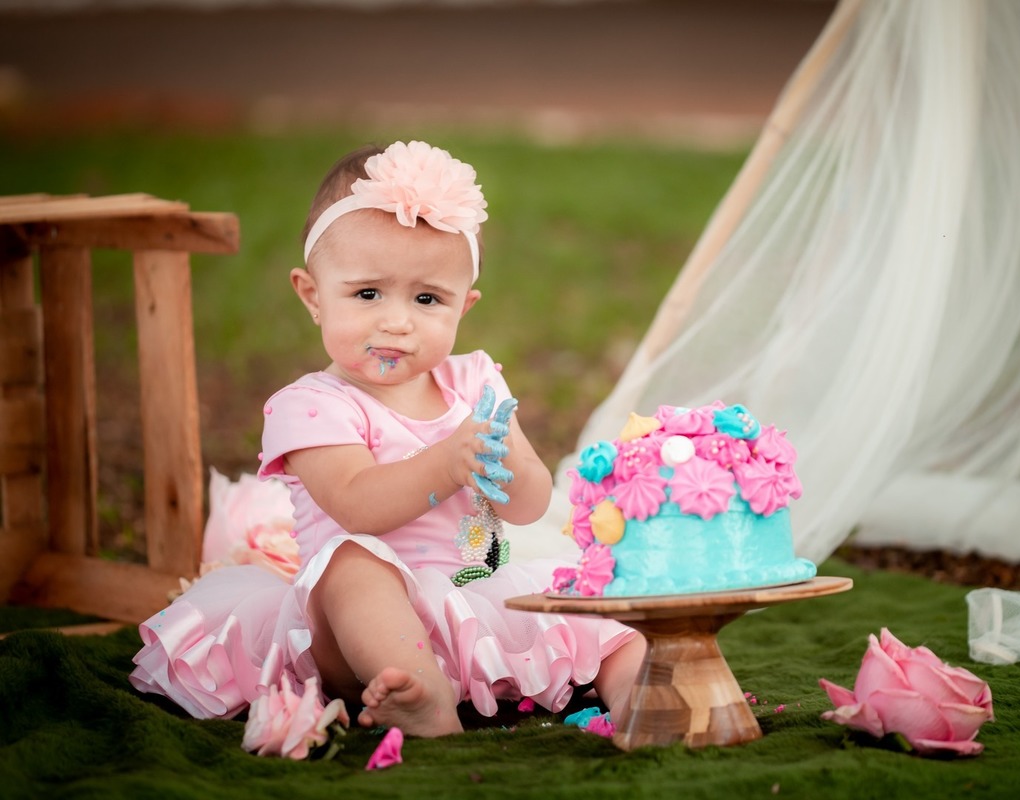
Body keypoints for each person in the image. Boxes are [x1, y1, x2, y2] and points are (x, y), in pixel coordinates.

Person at [130, 140, 645, 737]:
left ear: (463, 307)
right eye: (367, 293)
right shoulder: (311, 406)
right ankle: (421, 696)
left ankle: (642, 694)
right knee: (351, 563)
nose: (397, 321)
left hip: (474, 605)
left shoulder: (474, 383)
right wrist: (448, 463)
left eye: (427, 299)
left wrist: (504, 463)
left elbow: (527, 506)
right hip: (356, 634)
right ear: (312, 295)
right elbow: (356, 504)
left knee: (593, 599)